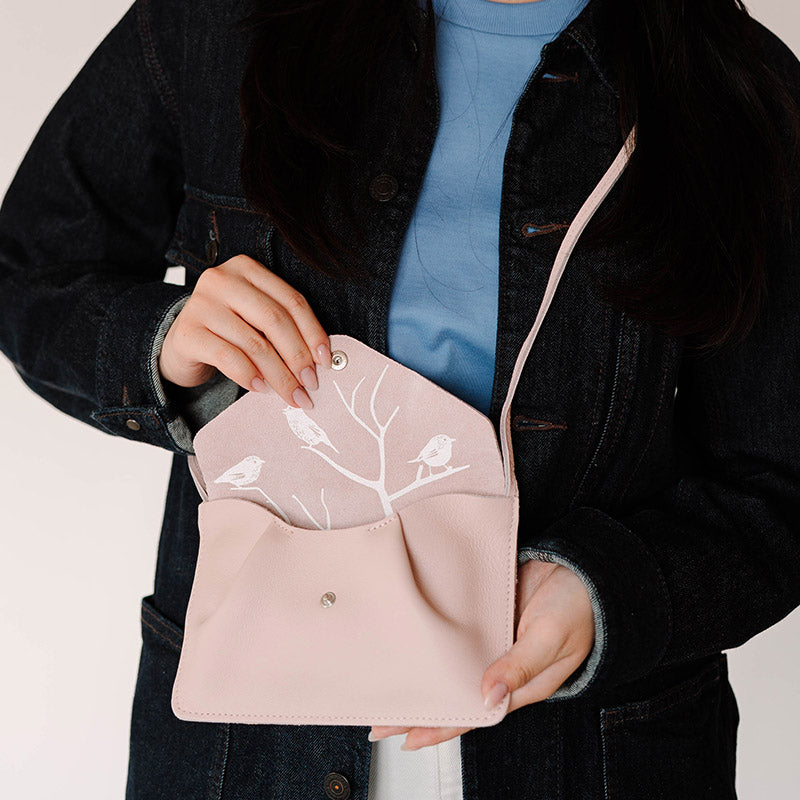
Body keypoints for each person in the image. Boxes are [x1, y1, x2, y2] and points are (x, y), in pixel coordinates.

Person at [1, 0, 799, 798]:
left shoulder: (741, 90)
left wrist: (606, 592)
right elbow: (27, 273)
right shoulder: (216, 23)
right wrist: (162, 342)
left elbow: (777, 485)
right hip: (243, 749)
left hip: (587, 754)